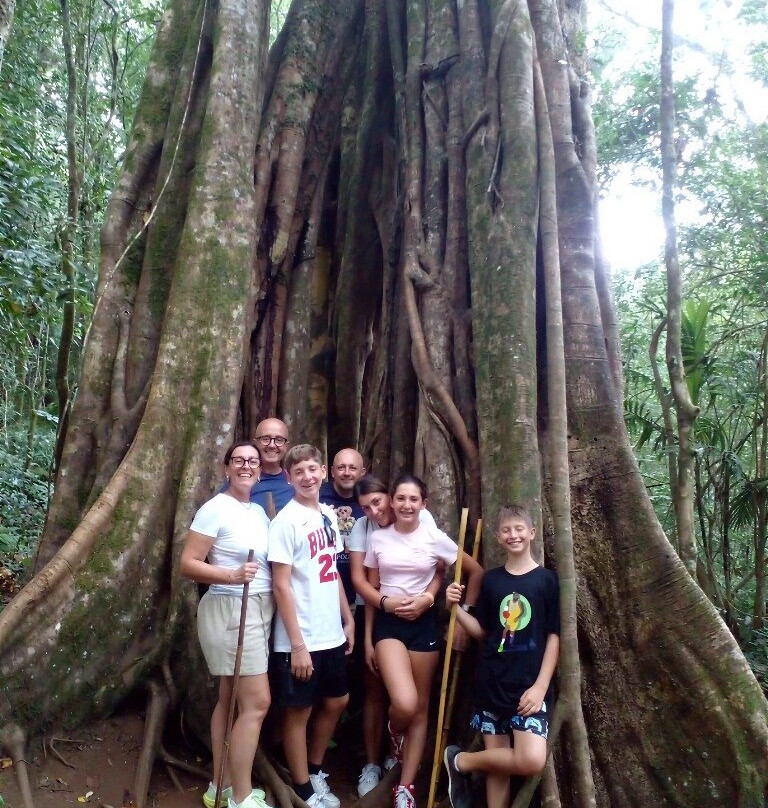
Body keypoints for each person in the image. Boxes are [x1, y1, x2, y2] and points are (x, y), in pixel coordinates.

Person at [359, 474, 484, 808]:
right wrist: (371, 635)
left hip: (424, 626)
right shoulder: (379, 539)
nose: (406, 505)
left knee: (421, 707)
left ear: (424, 504)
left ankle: (406, 786)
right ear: (392, 500)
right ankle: (393, 729)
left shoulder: (435, 538)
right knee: (404, 703)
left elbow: (475, 572)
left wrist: (461, 618)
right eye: (400, 498)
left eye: (413, 499)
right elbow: (372, 589)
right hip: (389, 624)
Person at [443, 505, 560, 808]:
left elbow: (554, 636)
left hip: (529, 688)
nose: (513, 535)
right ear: (498, 537)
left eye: (519, 528)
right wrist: (455, 610)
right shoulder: (493, 581)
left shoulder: (547, 580)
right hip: (492, 682)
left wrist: (540, 687)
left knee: (531, 760)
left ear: (532, 533)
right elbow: (483, 633)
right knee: (498, 769)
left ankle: (461, 762)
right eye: (506, 530)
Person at [180, 441, 274, 808]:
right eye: (239, 460)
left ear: (260, 469)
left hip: (257, 610)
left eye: (252, 461)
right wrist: (231, 574)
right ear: (226, 468)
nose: (246, 466)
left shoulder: (257, 511)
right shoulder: (214, 508)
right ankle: (242, 796)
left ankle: (217, 788)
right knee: (258, 703)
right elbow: (188, 563)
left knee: (229, 698)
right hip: (231, 609)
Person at [268, 445, 355, 808]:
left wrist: (347, 617)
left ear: (323, 471)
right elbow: (281, 584)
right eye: (298, 472)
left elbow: (330, 569)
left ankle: (315, 768)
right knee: (298, 712)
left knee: (338, 700)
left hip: (330, 631)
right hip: (298, 638)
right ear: (289, 478)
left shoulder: (328, 516)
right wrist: (297, 645)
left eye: (311, 469)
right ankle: (303, 787)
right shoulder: (285, 522)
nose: (306, 477)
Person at [348, 474, 444, 797]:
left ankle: (402, 774)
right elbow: (364, 583)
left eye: (377, 502)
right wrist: (368, 637)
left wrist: (429, 598)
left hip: (420, 618)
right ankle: (373, 763)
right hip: (378, 613)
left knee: (417, 704)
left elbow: (441, 566)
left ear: (388, 497)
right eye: (365, 507)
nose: (374, 511)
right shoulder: (366, 532)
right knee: (377, 693)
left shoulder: (420, 518)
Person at [319, 448, 367, 606]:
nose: (347, 473)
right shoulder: (317, 496)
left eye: (353, 468)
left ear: (362, 472)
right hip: (322, 591)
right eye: (341, 467)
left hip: (360, 594)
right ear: (332, 471)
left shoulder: (370, 500)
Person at [250, 418, 293, 514]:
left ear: (286, 446)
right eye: (265, 439)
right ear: (255, 443)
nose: (272, 445)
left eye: (279, 440)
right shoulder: (241, 481)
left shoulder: (297, 481)